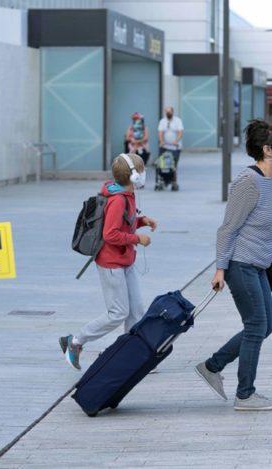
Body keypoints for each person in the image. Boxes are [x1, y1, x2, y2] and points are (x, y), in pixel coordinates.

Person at [194, 120, 272, 411]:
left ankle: (213, 367)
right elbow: (228, 228)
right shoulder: (247, 182)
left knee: (266, 326)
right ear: (267, 149)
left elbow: (262, 213)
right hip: (241, 264)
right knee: (256, 326)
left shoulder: (269, 179)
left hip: (258, 265)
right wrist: (220, 268)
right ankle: (245, 394)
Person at [59, 153, 158, 370]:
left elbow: (124, 222)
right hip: (112, 263)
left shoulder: (124, 194)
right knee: (118, 313)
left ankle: (133, 356)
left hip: (125, 260)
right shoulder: (118, 200)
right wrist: (137, 239)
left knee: (136, 311)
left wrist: (141, 221)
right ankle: (75, 341)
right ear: (134, 177)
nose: (144, 174)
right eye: (141, 171)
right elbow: (110, 234)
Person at [157, 106, 184, 191]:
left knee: (173, 164)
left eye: (169, 112)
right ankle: (161, 180)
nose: (168, 113)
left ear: (172, 112)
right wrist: (161, 141)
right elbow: (160, 132)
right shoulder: (162, 121)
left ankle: (173, 181)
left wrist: (176, 141)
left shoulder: (177, 121)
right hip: (165, 146)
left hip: (175, 147)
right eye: (167, 112)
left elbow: (180, 132)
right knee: (162, 164)